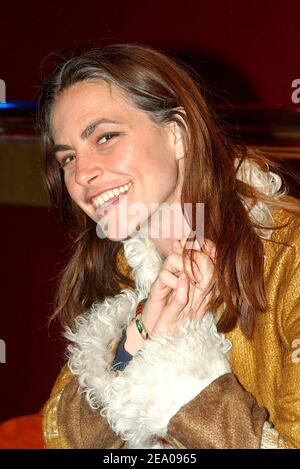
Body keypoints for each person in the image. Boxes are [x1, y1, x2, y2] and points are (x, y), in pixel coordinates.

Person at [39, 44, 300, 449]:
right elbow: (61, 437)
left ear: (177, 134)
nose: (83, 174)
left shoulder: (292, 256)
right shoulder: (119, 271)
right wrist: (133, 345)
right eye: (68, 157)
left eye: (105, 137)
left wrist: (182, 377)